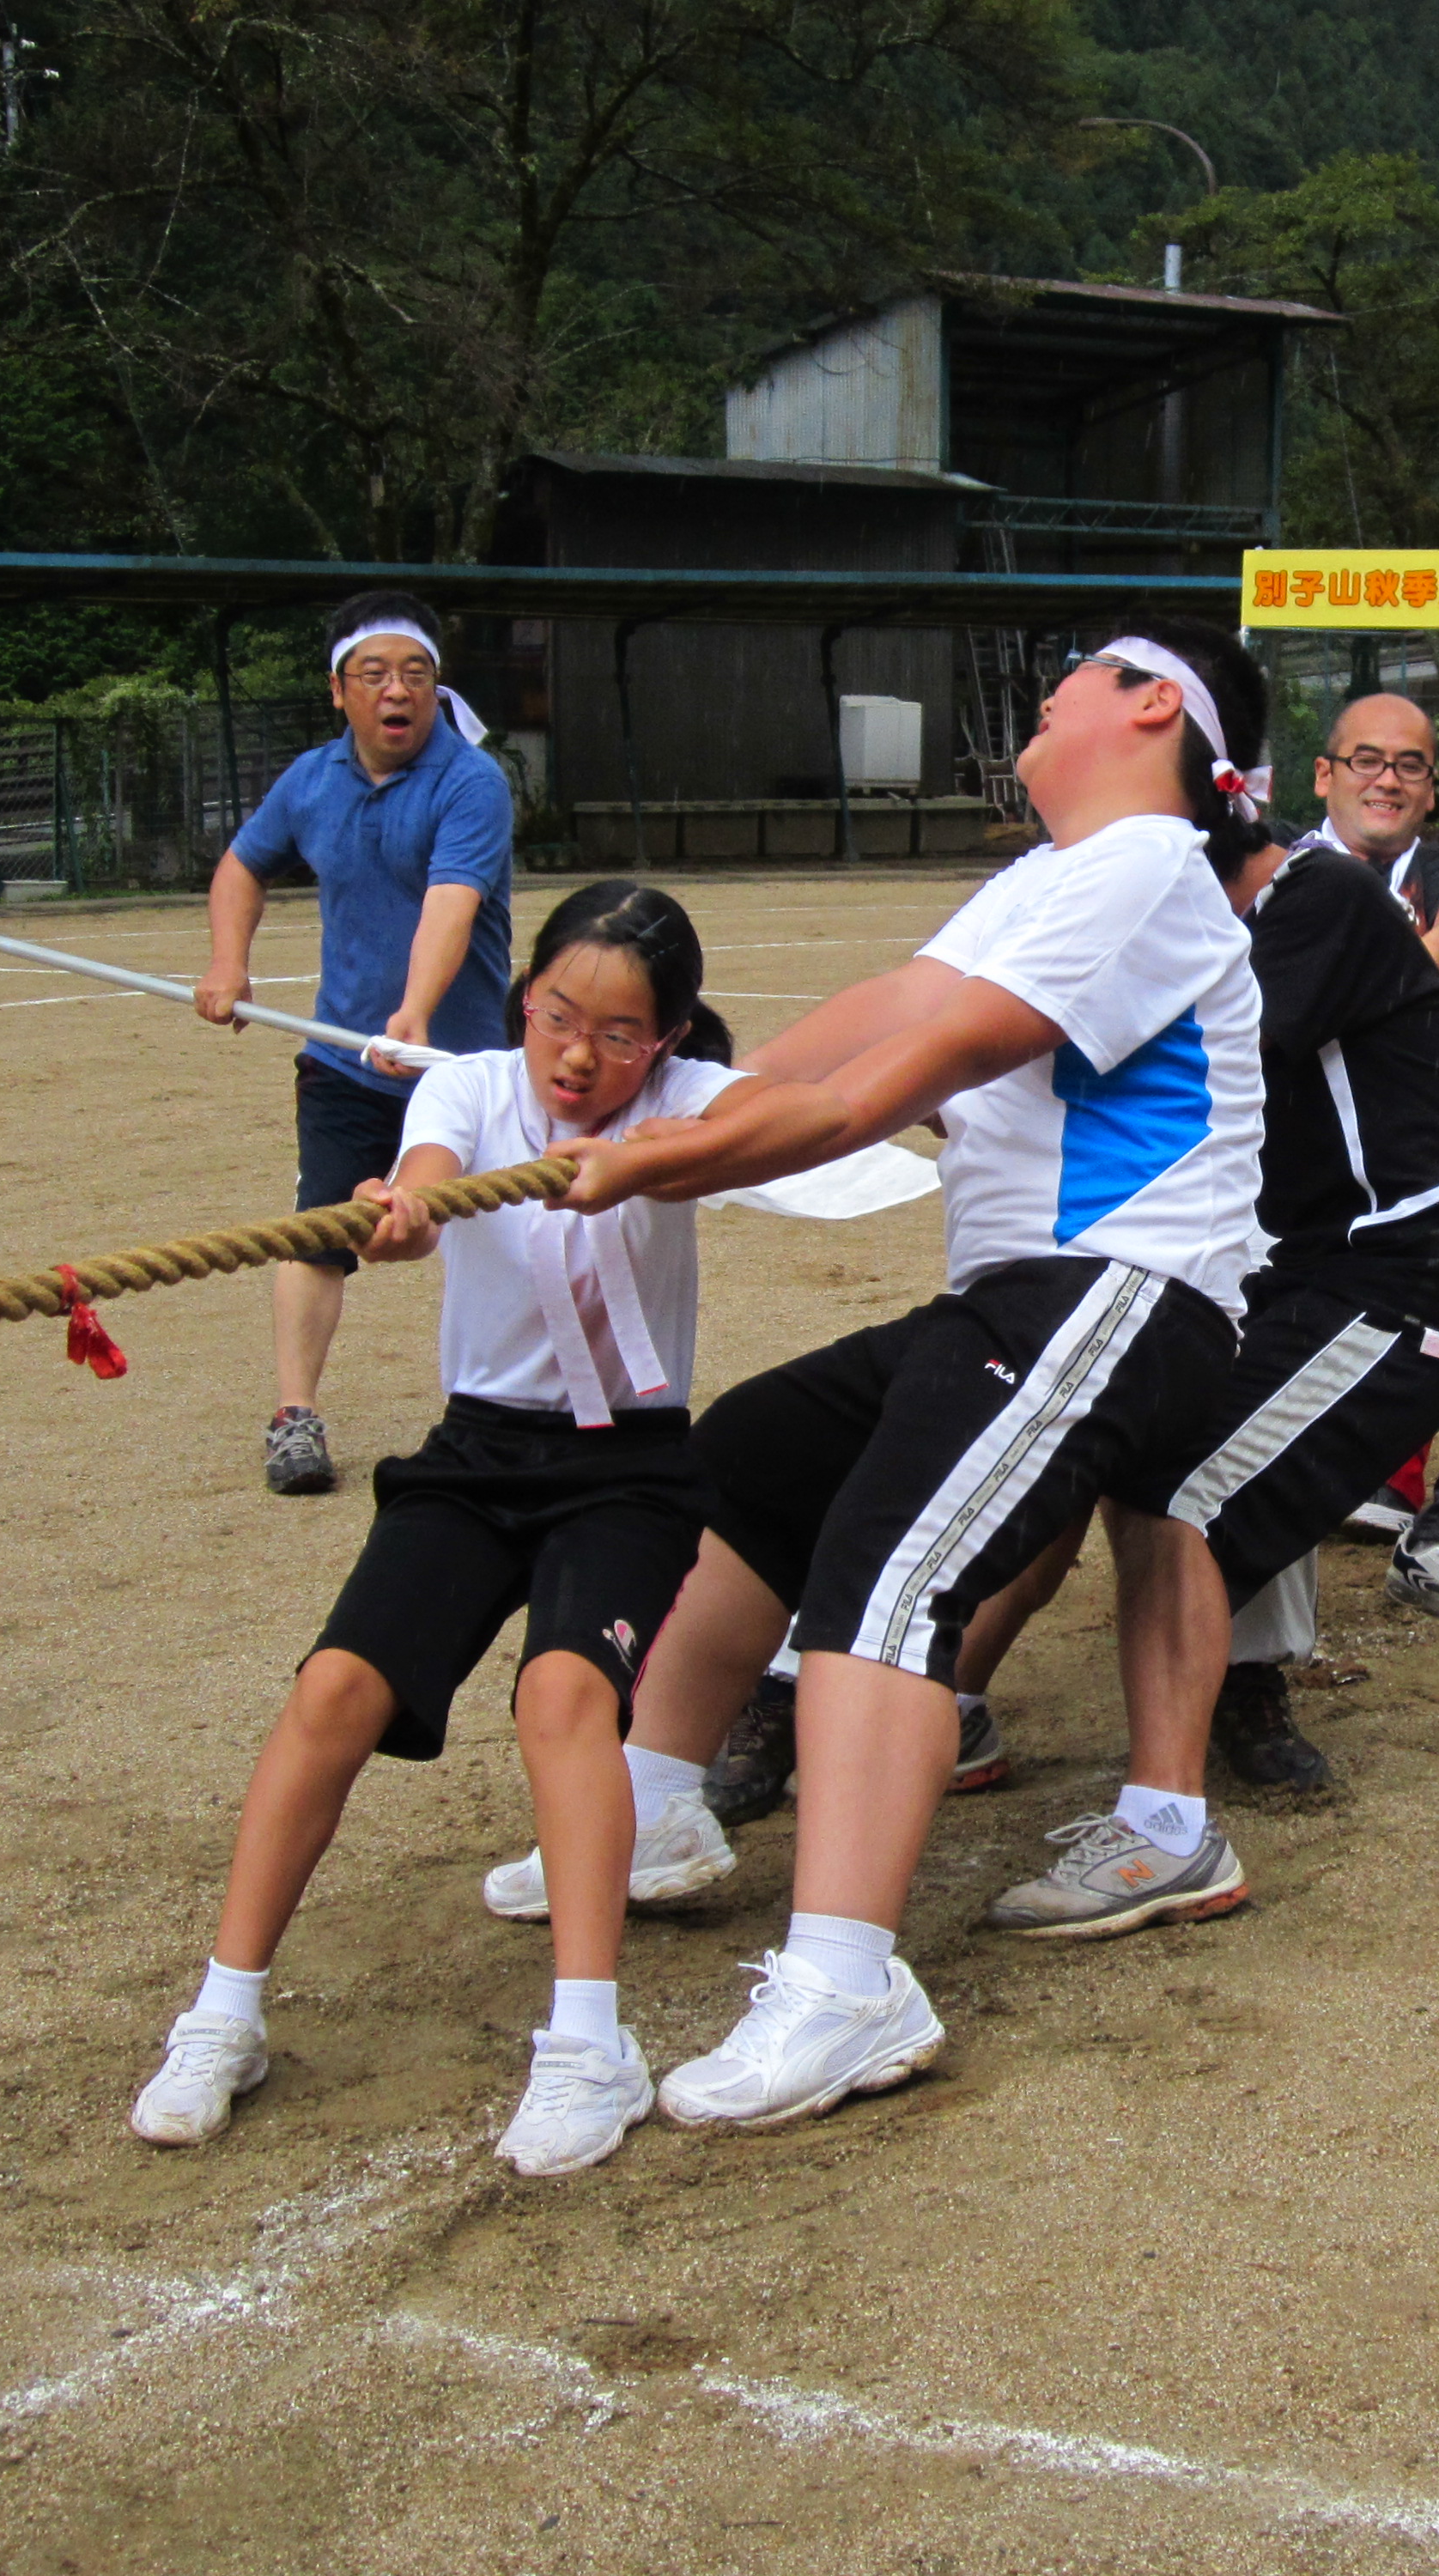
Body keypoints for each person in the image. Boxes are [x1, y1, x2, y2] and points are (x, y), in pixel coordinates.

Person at [513, 616, 1272, 2134]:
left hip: (1128, 1291)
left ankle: (851, 1984)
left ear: (1147, 706)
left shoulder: (1149, 865)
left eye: (1076, 674)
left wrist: (659, 1152)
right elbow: (859, 1030)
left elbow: (886, 1090)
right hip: (1019, 1294)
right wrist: (646, 1087)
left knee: (888, 1574)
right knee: (753, 1454)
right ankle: (655, 1802)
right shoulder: (1045, 880)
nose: (1046, 698)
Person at [127, 884, 738, 2177]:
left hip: (627, 1468)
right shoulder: (464, 1086)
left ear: (669, 1041)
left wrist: (650, 1150)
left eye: (620, 1035)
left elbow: (768, 1124)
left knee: (564, 1697)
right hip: (477, 1451)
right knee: (335, 1687)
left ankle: (588, 2043)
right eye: (557, 1015)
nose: (577, 1055)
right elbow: (427, 1182)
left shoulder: (689, 1109)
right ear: (524, 1001)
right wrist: (403, 1211)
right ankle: (224, 2012)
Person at [961, 822, 1439, 1906]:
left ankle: (1167, 1831)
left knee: (1177, 1498)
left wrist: (974, 1076)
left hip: (1403, 1285)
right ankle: (942, 1707)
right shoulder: (1267, 909)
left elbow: (1180, 1071)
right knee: (1091, 1430)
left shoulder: (1315, 902)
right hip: (1303, 1271)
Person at [201, 592, 514, 1497]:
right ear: (338, 691)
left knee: (484, 1237)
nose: (397, 691)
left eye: (416, 673)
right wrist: (230, 965)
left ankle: (513, 1413)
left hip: (460, 1072)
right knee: (319, 1231)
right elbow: (242, 866)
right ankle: (294, 1418)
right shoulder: (310, 779)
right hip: (343, 1060)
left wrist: (413, 1015)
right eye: (374, 674)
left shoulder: (470, 782)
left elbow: (449, 905)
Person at [1302, 692, 1439, 985]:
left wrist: (1429, 956)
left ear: (1430, 789)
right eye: (1366, 762)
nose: (1388, 782)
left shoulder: (1435, 868)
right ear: (1325, 775)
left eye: (1410, 767)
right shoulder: (1283, 855)